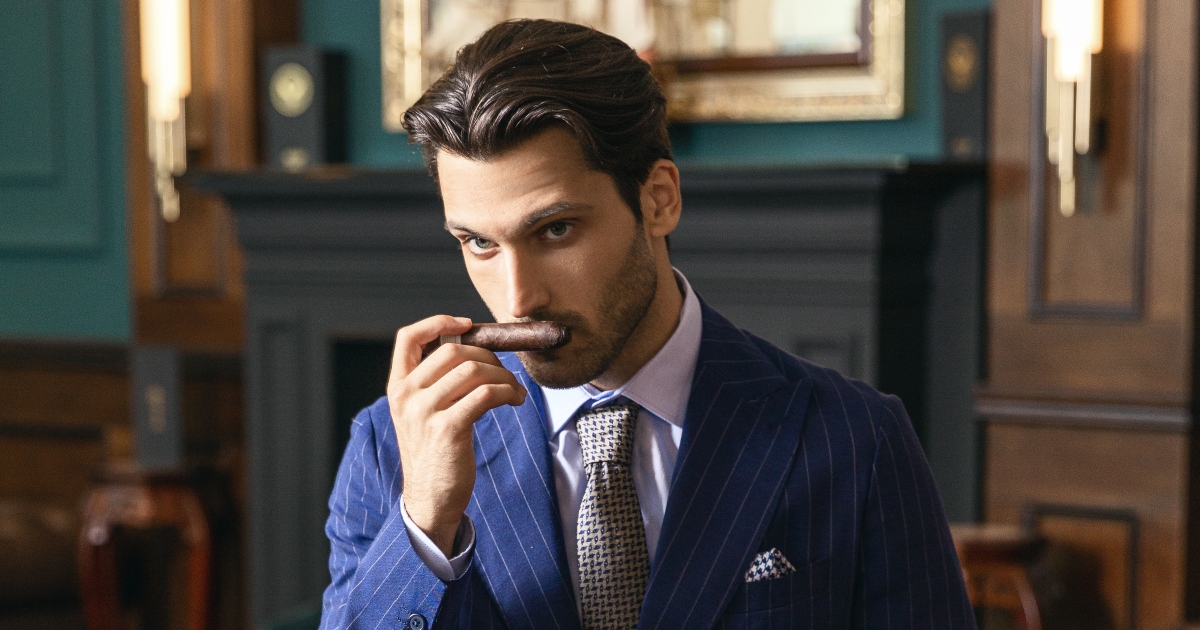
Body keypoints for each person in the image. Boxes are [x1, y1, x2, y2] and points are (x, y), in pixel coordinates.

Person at [320, 19, 975, 630]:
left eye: (556, 230)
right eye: (479, 243)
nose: (519, 297)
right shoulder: (390, 446)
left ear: (659, 198)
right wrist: (425, 526)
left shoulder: (854, 436)